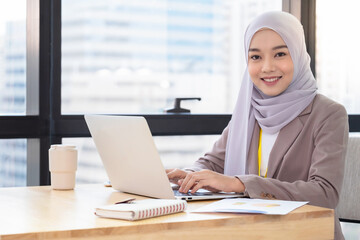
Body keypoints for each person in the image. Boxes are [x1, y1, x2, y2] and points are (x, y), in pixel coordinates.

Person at [166, 11, 348, 240]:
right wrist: (189, 175)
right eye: (255, 57)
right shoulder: (249, 110)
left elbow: (324, 193)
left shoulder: (328, 114)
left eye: (280, 54)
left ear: (300, 55)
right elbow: (213, 161)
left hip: (305, 233)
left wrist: (241, 184)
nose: (267, 67)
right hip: (251, 231)